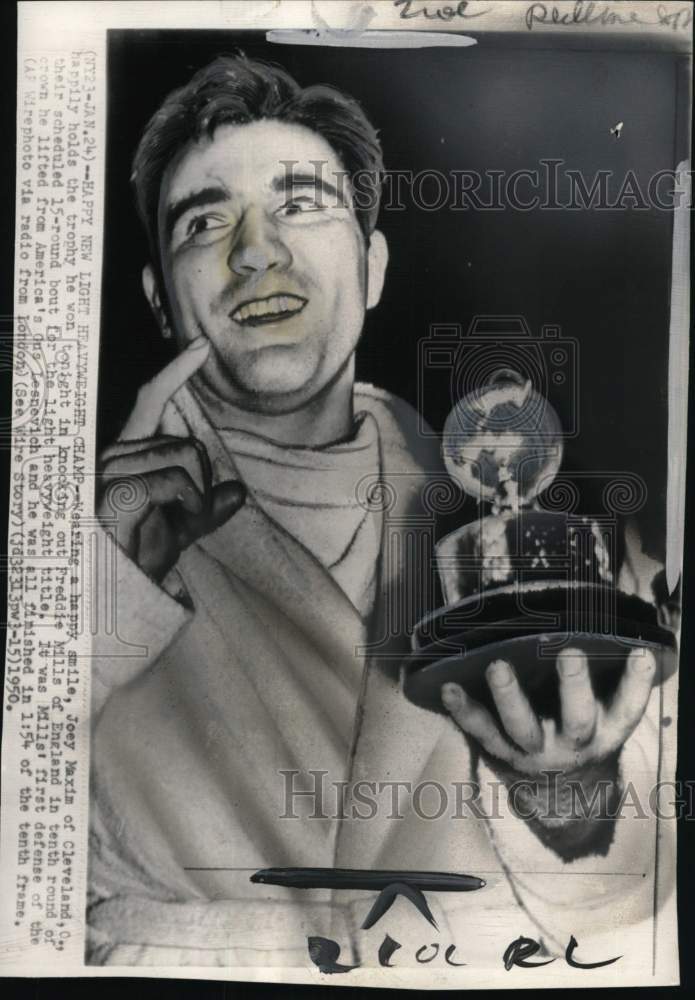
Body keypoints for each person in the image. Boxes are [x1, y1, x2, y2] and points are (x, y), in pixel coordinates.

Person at [87, 54, 675, 971]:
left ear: (371, 266)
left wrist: (571, 795)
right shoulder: (75, 541)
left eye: (301, 204)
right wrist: (96, 597)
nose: (255, 251)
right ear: (162, 298)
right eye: (205, 221)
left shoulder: (531, 535)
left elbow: (632, 914)